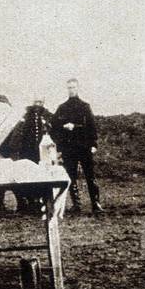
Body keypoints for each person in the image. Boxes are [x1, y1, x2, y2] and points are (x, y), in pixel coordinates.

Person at [51, 78, 103, 214]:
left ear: (78, 88)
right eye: (69, 88)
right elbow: (54, 127)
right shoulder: (62, 108)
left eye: (73, 87)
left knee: (90, 175)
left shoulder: (85, 106)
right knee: (71, 176)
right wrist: (61, 139)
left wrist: (93, 144)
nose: (71, 90)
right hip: (69, 149)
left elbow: (91, 127)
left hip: (84, 147)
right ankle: (76, 205)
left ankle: (96, 203)